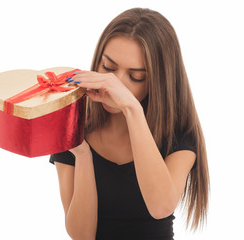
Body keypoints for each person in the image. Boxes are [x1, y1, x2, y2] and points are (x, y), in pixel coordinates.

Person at [49, 7, 209, 240]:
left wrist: (131, 108)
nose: (115, 85)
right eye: (108, 68)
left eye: (136, 77)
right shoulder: (74, 127)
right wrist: (83, 155)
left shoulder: (179, 134)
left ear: (158, 81)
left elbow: (161, 206)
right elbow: (82, 235)